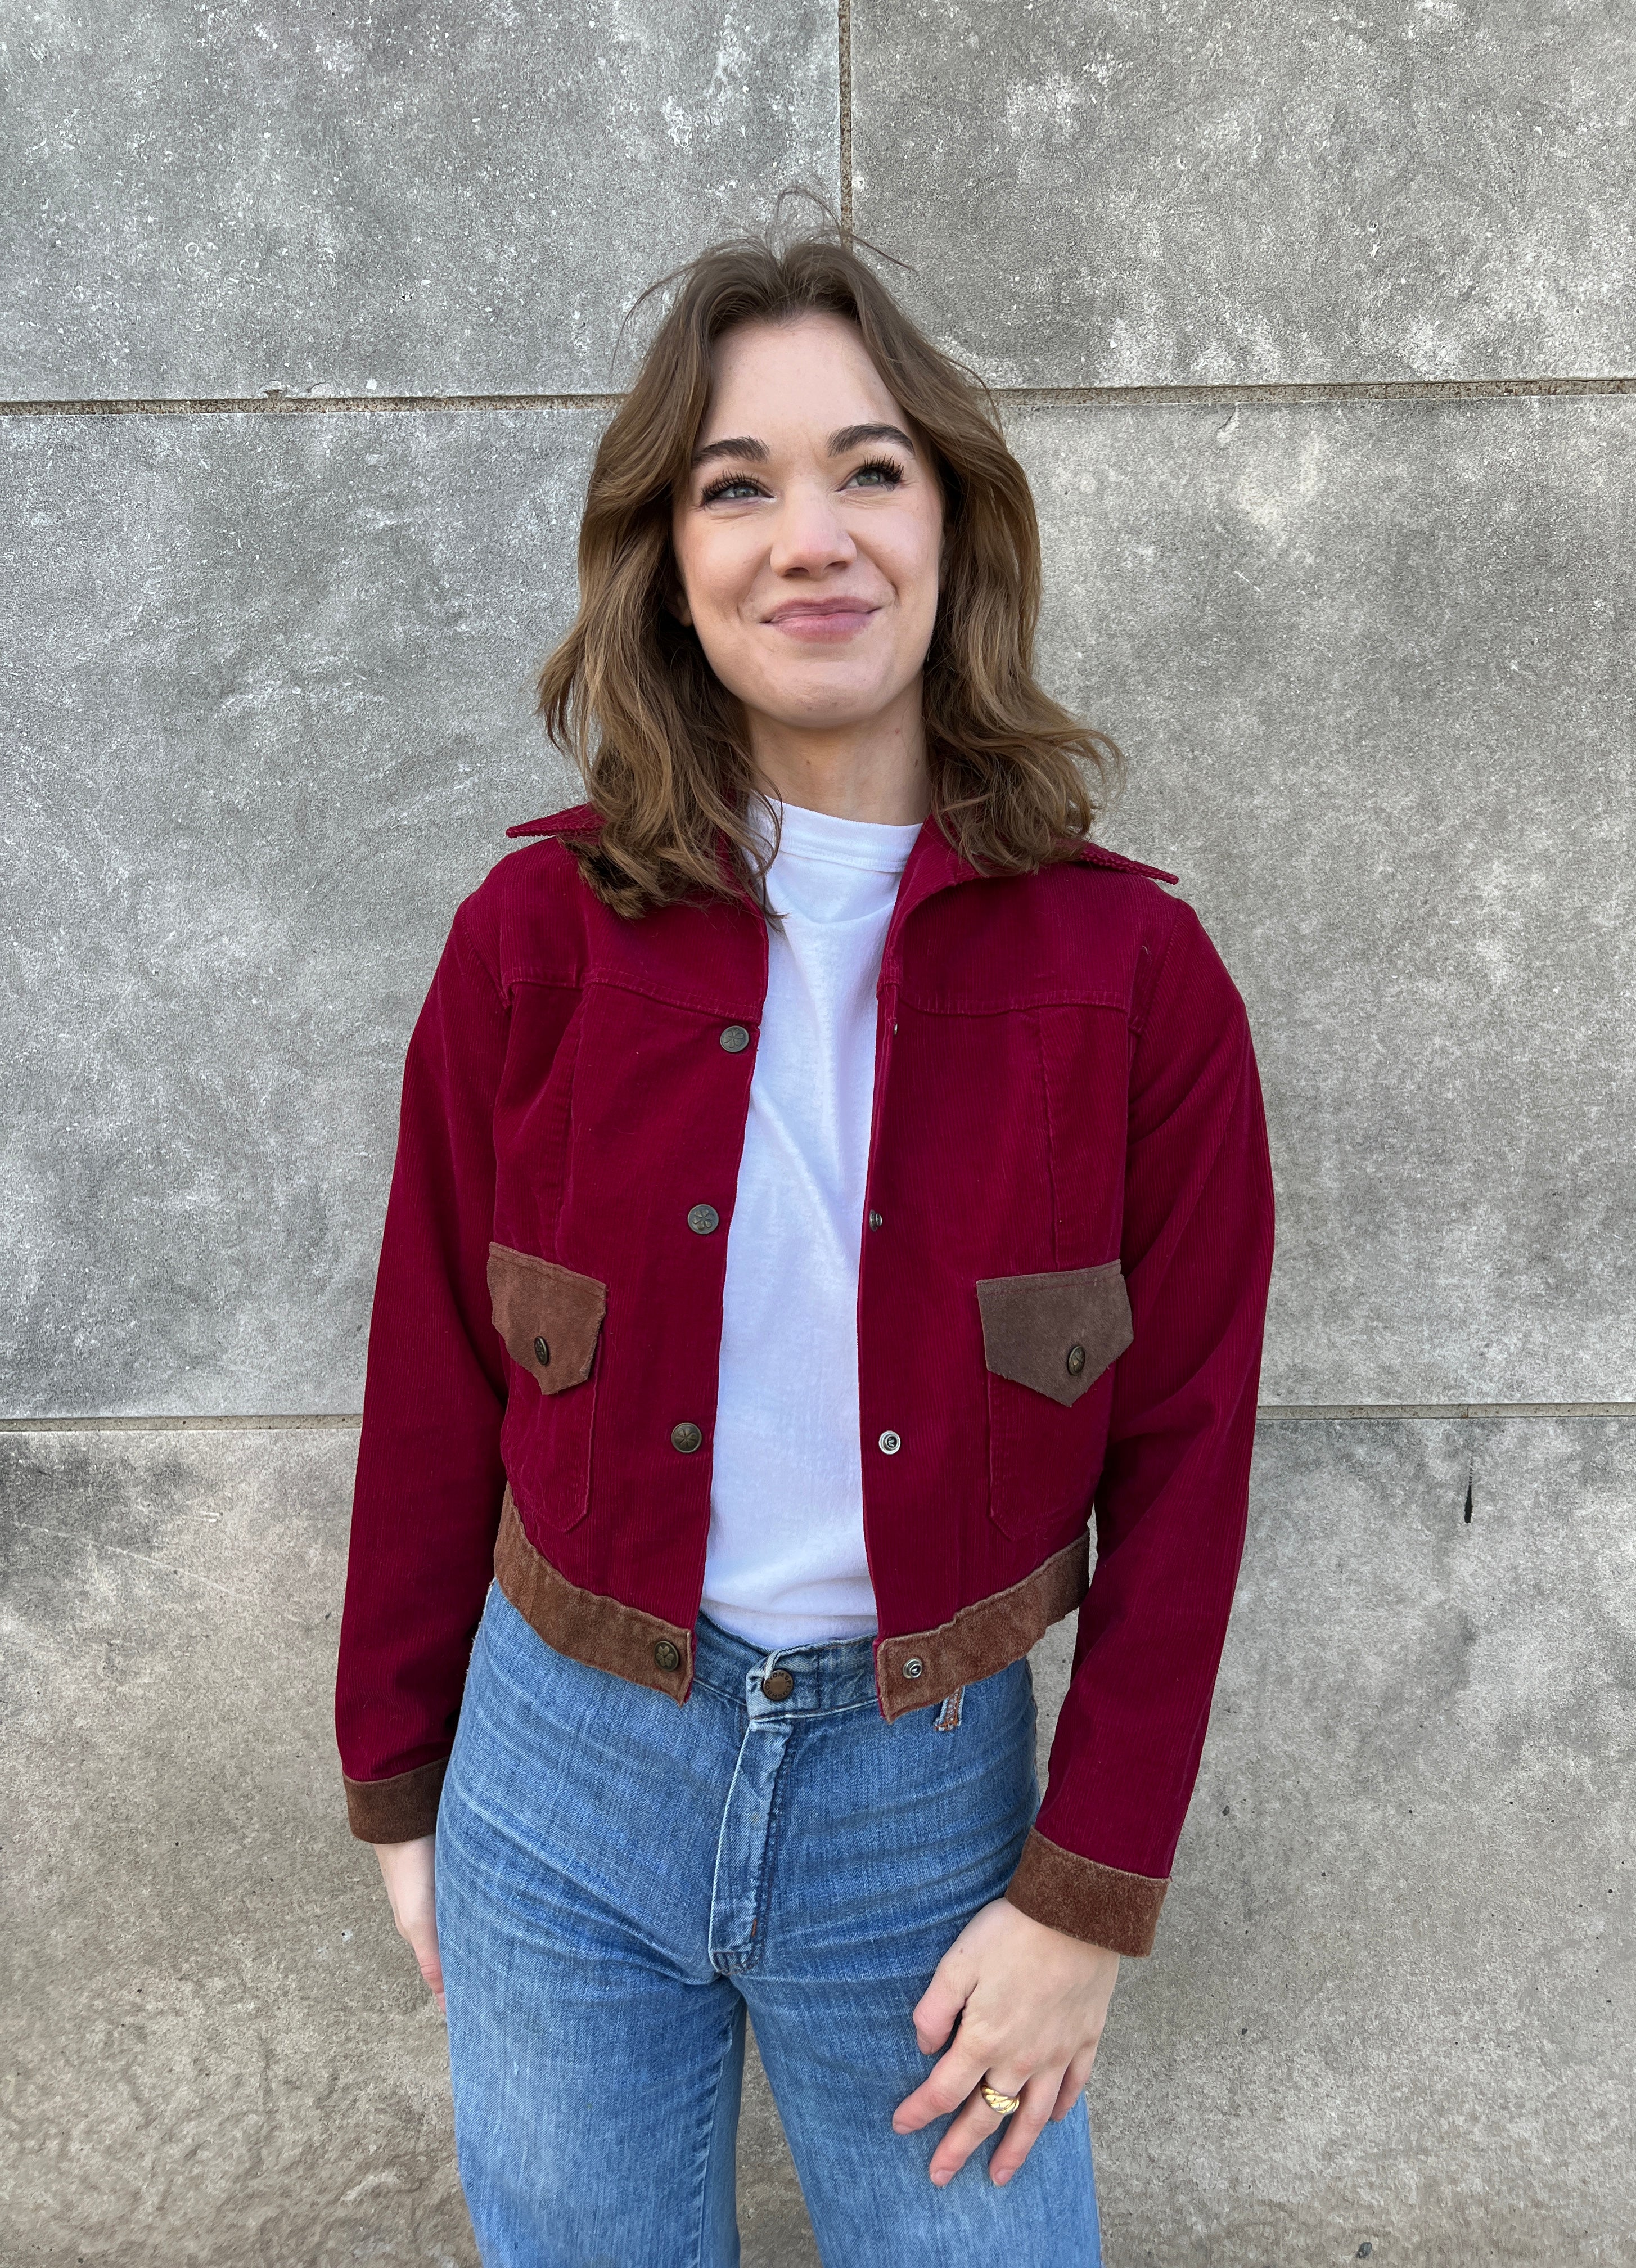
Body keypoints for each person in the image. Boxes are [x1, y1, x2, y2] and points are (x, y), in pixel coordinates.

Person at [335, 226, 1274, 2266]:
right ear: (669, 559)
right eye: (735, 485)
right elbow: (434, 1373)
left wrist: (1083, 1896)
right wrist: (404, 1787)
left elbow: (1188, 1456)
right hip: (559, 1778)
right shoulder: (538, 943)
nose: (809, 537)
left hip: (928, 1821)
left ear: (954, 520)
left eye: (868, 469)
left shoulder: (1139, 976)